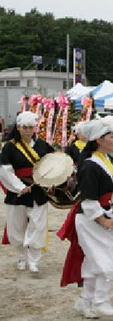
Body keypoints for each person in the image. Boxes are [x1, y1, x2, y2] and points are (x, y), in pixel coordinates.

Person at [57, 117, 113, 318]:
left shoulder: (107, 160)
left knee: (94, 263)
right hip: (91, 220)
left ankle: (85, 301)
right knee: (106, 261)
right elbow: (88, 200)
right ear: (100, 139)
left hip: (104, 216)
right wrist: (104, 220)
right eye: (112, 136)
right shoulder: (89, 166)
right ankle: (101, 301)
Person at [0, 111, 54, 273]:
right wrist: (19, 187)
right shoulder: (9, 147)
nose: (28, 131)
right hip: (18, 192)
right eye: (25, 127)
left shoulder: (43, 145)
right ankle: (22, 257)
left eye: (31, 127)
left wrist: (51, 182)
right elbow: (5, 170)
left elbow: (53, 164)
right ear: (18, 127)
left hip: (38, 190)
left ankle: (34, 261)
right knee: (17, 227)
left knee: (38, 226)